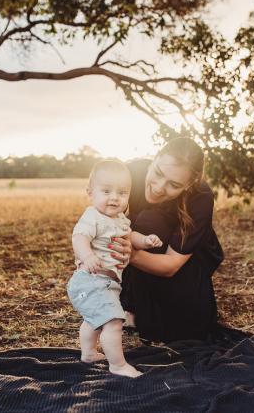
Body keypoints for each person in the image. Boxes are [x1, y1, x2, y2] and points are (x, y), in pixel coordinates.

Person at [106, 137, 224, 343]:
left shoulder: (200, 197)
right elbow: (102, 221)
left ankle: (150, 312)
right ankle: (129, 306)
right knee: (133, 226)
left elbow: (171, 265)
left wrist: (127, 252)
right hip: (138, 254)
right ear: (154, 158)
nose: (159, 188)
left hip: (185, 268)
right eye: (158, 173)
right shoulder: (128, 174)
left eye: (174, 184)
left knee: (151, 222)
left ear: (189, 184)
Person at [67, 160, 162, 378]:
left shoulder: (121, 220)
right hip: (91, 278)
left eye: (122, 192)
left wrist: (146, 241)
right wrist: (88, 255)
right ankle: (118, 365)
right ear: (90, 193)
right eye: (106, 191)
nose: (114, 198)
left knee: (95, 319)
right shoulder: (93, 216)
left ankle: (89, 354)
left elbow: (131, 236)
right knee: (113, 321)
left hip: (106, 282)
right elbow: (79, 237)